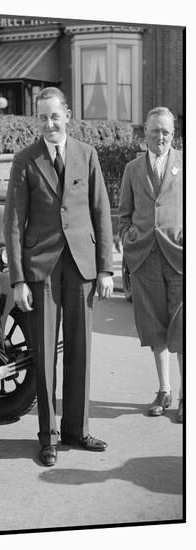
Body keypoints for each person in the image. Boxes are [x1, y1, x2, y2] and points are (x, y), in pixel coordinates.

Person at [3, 87, 114, 467]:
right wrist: (18, 280)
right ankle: (48, 437)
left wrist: (105, 269)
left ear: (68, 115)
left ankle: (77, 430)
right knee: (45, 354)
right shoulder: (25, 159)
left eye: (55, 116)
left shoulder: (87, 155)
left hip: (82, 267)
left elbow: (101, 212)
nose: (49, 124)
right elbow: (14, 223)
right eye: (43, 118)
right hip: (42, 270)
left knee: (81, 350)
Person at [118, 107, 183, 423]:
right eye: (155, 131)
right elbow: (124, 213)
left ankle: (186, 395)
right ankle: (165, 390)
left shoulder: (186, 163)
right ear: (145, 132)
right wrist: (128, 236)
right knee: (155, 327)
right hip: (145, 257)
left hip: (180, 258)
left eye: (166, 132)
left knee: (183, 328)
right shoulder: (132, 169)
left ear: (174, 134)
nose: (160, 137)